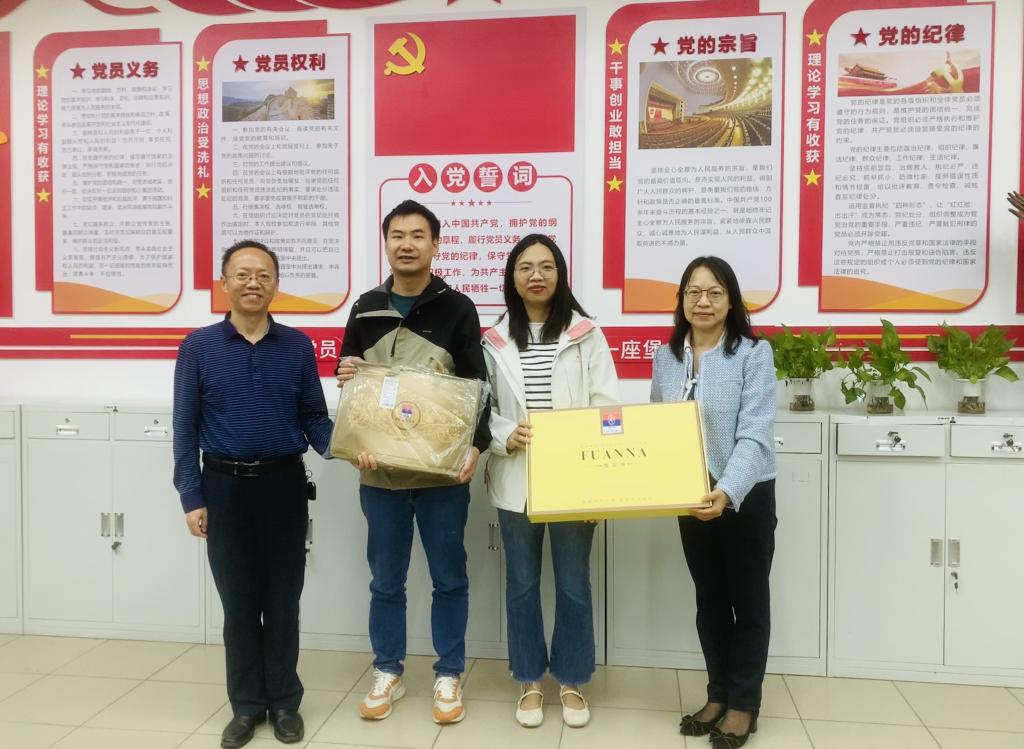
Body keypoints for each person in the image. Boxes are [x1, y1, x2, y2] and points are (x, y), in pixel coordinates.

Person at [173, 240, 333, 749]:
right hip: (223, 489)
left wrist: (352, 446)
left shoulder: (298, 346)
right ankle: (245, 707)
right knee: (239, 605)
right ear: (224, 283)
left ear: (276, 285)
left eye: (263, 275)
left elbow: (314, 417)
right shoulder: (198, 347)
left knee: (283, 601)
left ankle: (284, 702)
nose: (253, 283)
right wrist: (191, 496)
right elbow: (184, 427)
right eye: (242, 274)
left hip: (284, 486)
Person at [336, 199, 490, 725]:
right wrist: (349, 392)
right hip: (379, 471)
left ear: (435, 244)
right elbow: (351, 379)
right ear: (386, 243)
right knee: (386, 580)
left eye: (418, 235)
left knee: (449, 577)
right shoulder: (365, 307)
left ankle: (449, 673)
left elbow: (477, 387)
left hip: (442, 473)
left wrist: (475, 447)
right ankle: (388, 671)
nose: (407, 244)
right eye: (397, 235)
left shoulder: (457, 308)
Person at [481, 234, 619, 728]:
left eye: (546, 266)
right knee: (521, 585)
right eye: (525, 267)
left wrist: (599, 484)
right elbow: (483, 407)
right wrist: (505, 434)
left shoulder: (586, 335)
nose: (536, 275)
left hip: (573, 480)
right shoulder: (493, 339)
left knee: (574, 584)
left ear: (560, 274)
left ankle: (573, 679)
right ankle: (529, 679)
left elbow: (607, 407)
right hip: (516, 476)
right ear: (512, 278)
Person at [650, 256, 776, 749]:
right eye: (693, 292)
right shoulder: (667, 356)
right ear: (682, 299)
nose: (703, 302)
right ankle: (718, 694)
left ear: (731, 300)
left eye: (714, 292)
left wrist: (726, 491)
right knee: (710, 601)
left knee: (749, 603)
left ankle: (744, 704)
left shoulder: (752, 353)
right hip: (692, 498)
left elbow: (756, 434)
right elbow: (658, 426)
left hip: (743, 496)